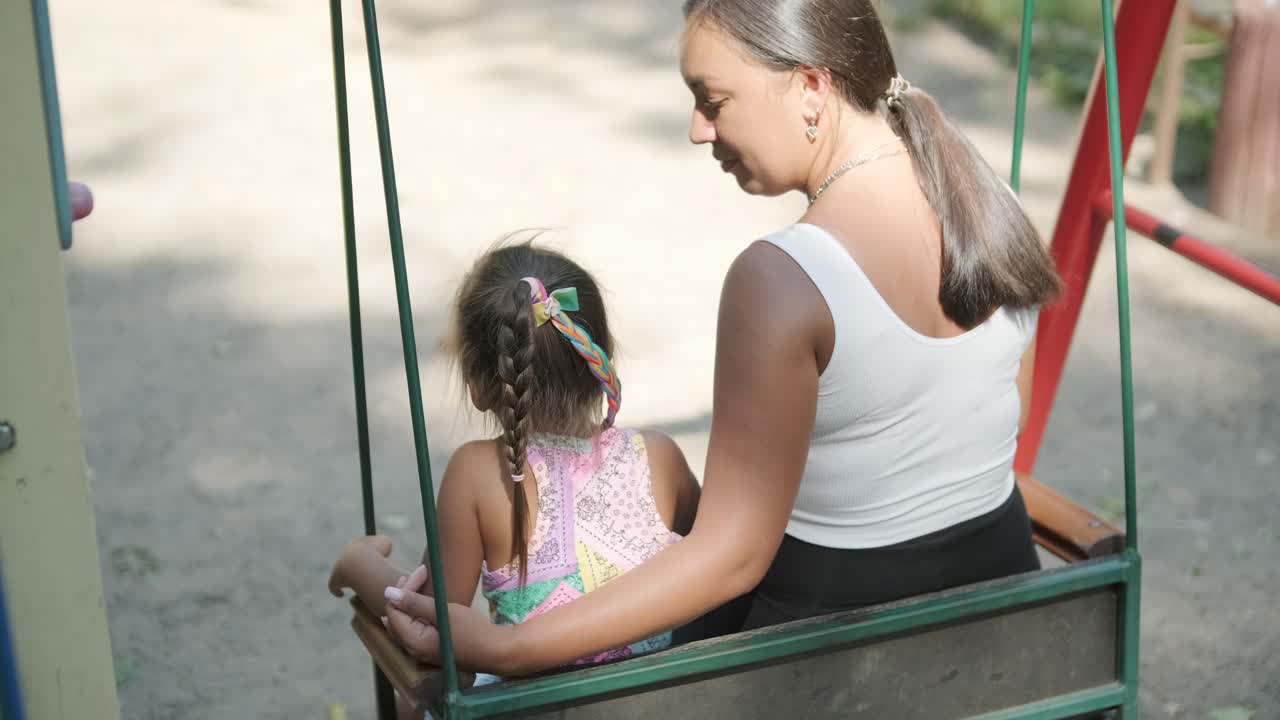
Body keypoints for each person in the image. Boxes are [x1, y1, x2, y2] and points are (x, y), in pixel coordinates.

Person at [380, 0, 1061, 675]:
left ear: (812, 87)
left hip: (837, 661)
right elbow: (1004, 429)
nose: (698, 129)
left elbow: (732, 556)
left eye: (713, 99)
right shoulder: (985, 198)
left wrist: (505, 645)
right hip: (1005, 623)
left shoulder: (787, 277)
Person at [327, 242, 701, 676]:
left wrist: (359, 564)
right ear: (601, 361)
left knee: (417, 694)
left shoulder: (478, 473)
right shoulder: (658, 457)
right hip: (659, 702)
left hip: (533, 706)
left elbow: (430, 615)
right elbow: (705, 548)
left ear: (477, 384)